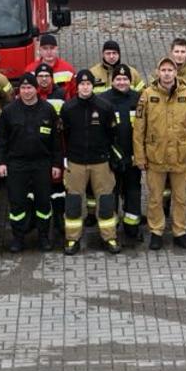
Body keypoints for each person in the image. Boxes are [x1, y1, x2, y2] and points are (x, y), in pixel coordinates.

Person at [134, 58, 186, 250]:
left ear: (176, 73)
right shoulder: (147, 95)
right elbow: (139, 129)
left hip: (181, 157)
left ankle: (180, 232)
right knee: (155, 198)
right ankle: (156, 232)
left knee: (181, 198)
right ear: (158, 72)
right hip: (156, 157)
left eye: (170, 70)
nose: (167, 73)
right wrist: (140, 157)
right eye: (163, 70)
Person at [0, 75, 63, 252]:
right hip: (17, 164)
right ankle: (18, 238)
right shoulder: (9, 111)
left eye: (30, 88)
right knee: (17, 203)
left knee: (43, 202)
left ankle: (43, 236)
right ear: (19, 91)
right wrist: (1, 162)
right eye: (23, 88)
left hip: (42, 164)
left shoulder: (47, 110)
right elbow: (1, 140)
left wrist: (56, 164)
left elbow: (56, 141)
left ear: (36, 89)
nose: (26, 91)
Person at [61, 70, 123, 254]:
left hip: (100, 162)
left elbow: (113, 134)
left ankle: (109, 237)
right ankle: (72, 239)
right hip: (76, 162)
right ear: (77, 86)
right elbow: (63, 135)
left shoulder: (105, 107)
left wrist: (112, 157)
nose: (85, 87)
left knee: (105, 202)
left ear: (93, 86)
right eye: (82, 84)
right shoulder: (68, 108)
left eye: (88, 84)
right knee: (73, 202)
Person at [96, 67, 145, 240]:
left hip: (133, 158)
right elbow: (100, 132)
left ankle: (132, 228)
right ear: (112, 81)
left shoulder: (139, 99)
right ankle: (111, 229)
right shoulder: (102, 100)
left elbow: (144, 128)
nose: (122, 82)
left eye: (125, 79)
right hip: (112, 159)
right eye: (118, 79)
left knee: (133, 193)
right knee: (111, 193)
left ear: (130, 81)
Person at [35, 34, 78, 100]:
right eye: (45, 48)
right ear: (40, 50)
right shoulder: (30, 70)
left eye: (52, 48)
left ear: (57, 49)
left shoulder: (68, 70)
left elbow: (75, 94)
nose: (49, 52)